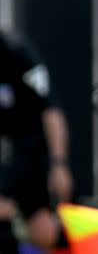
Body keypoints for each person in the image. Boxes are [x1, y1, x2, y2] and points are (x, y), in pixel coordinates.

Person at [0, 30, 72, 253]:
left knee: (45, 232)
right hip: (6, 153)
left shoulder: (14, 51)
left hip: (32, 150)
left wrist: (59, 164)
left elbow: (50, 110)